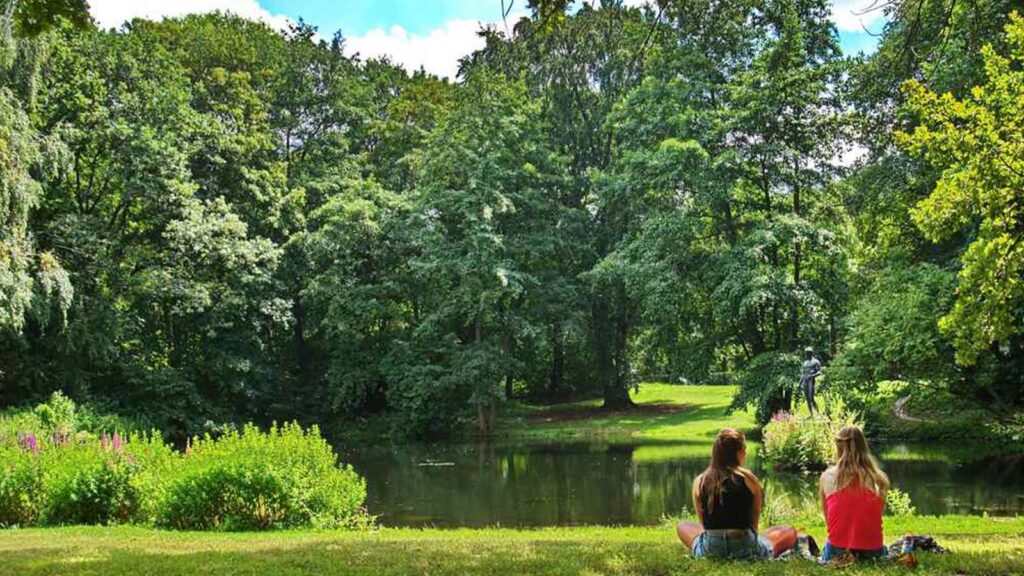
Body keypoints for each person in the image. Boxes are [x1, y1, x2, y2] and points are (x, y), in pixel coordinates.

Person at [676, 429, 797, 559]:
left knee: (683, 526)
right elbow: (754, 518)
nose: (745, 453)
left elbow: (703, 524)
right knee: (789, 531)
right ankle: (762, 552)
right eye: (744, 449)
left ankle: (710, 551)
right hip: (745, 544)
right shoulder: (749, 479)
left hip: (712, 547)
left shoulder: (700, 481)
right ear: (737, 453)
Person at [818, 425, 890, 563]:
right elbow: (875, 517)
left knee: (827, 548)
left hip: (838, 551)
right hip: (872, 552)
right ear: (863, 445)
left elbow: (829, 521)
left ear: (838, 447)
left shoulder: (826, 477)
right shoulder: (879, 478)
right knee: (884, 550)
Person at [800, 347, 822, 416]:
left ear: (811, 353)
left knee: (811, 398)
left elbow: (819, 372)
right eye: (806, 353)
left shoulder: (816, 362)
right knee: (807, 398)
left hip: (811, 381)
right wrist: (799, 383)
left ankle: (818, 413)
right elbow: (803, 374)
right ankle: (811, 414)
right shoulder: (805, 363)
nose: (807, 354)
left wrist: (812, 376)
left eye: (808, 353)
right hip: (805, 381)